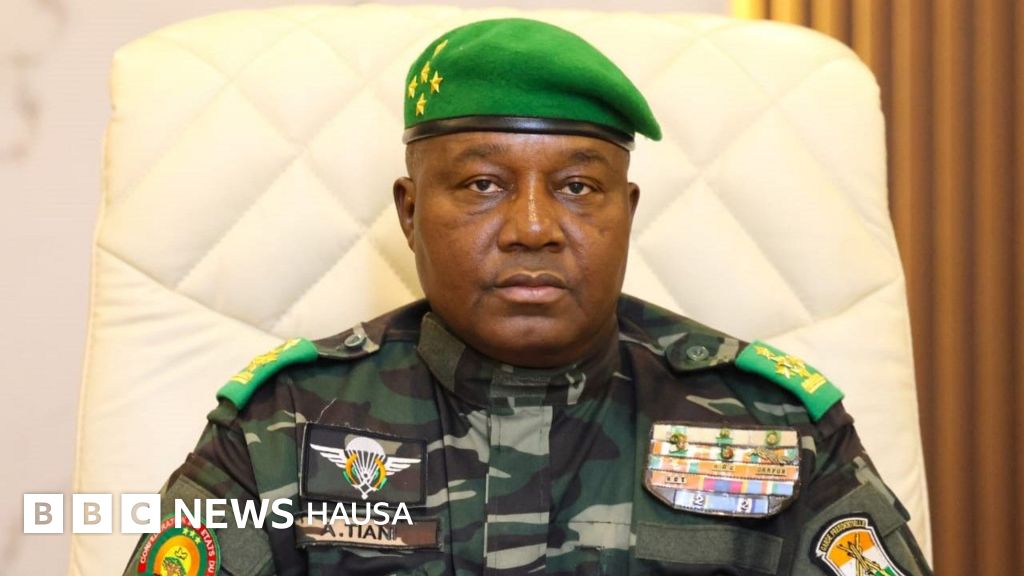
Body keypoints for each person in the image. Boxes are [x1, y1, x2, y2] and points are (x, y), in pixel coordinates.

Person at [124, 18, 932, 576]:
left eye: (578, 187)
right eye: (482, 185)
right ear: (410, 212)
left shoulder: (774, 425)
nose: (535, 228)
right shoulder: (281, 426)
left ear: (627, 213)